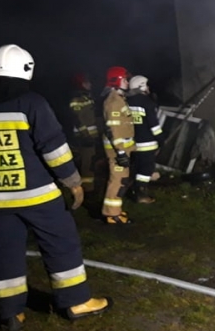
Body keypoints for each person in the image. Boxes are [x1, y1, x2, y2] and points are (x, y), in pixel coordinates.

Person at [0, 44, 113, 331]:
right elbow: (53, 147)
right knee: (61, 243)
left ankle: (10, 313)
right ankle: (75, 301)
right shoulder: (31, 102)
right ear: (26, 69)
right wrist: (73, 182)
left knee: (6, 251)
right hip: (37, 195)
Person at [98, 66, 135, 224]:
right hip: (117, 151)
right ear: (117, 81)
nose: (127, 83)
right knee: (118, 180)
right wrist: (120, 152)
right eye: (125, 80)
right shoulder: (114, 102)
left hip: (122, 149)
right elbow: (114, 129)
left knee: (122, 179)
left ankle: (114, 211)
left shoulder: (119, 99)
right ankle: (111, 214)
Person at [126, 75, 164, 204]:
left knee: (137, 166)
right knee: (146, 169)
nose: (148, 88)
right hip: (147, 142)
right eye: (146, 85)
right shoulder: (147, 102)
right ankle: (140, 194)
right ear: (141, 86)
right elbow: (154, 125)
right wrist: (161, 139)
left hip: (132, 142)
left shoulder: (126, 101)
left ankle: (133, 190)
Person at [68, 73, 99, 196]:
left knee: (90, 162)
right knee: (87, 163)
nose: (90, 84)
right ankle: (87, 190)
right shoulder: (76, 100)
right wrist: (85, 134)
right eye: (87, 82)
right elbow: (77, 119)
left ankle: (89, 187)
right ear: (81, 84)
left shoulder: (87, 97)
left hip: (91, 136)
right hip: (85, 137)